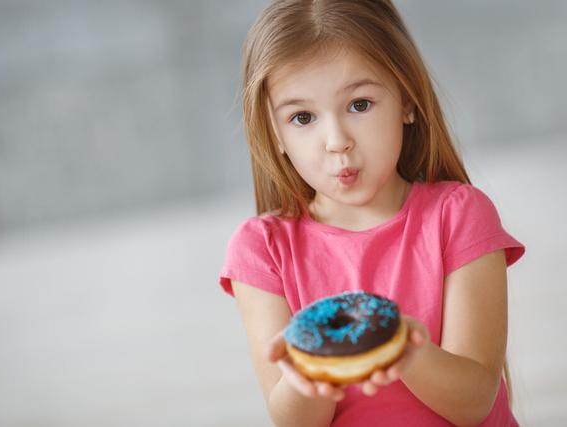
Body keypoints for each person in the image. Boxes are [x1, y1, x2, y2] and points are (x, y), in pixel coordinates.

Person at [218, 1, 525, 426]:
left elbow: (474, 403)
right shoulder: (263, 248)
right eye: (302, 117)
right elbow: (294, 422)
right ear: (276, 136)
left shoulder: (460, 215)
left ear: (407, 101)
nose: (336, 141)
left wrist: (402, 345)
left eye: (359, 105)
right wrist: (310, 372)